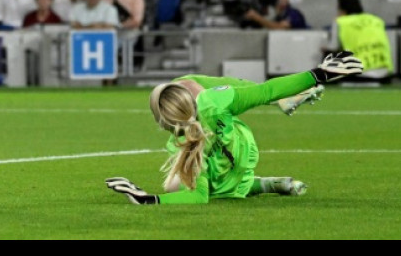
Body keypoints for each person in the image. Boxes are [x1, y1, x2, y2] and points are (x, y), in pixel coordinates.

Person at [105, 51, 364, 204]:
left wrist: (148, 199)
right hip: (245, 149)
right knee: (210, 154)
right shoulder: (214, 98)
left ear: (162, 121)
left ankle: (260, 184)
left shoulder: (180, 142)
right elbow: (265, 90)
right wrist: (320, 73)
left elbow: (198, 198)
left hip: (222, 158)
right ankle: (265, 183)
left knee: (173, 186)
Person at [322, 0, 393, 82]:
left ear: (342, 9)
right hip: (384, 73)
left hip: (359, 73)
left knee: (328, 56)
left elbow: (333, 47)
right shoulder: (376, 20)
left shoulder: (341, 22)